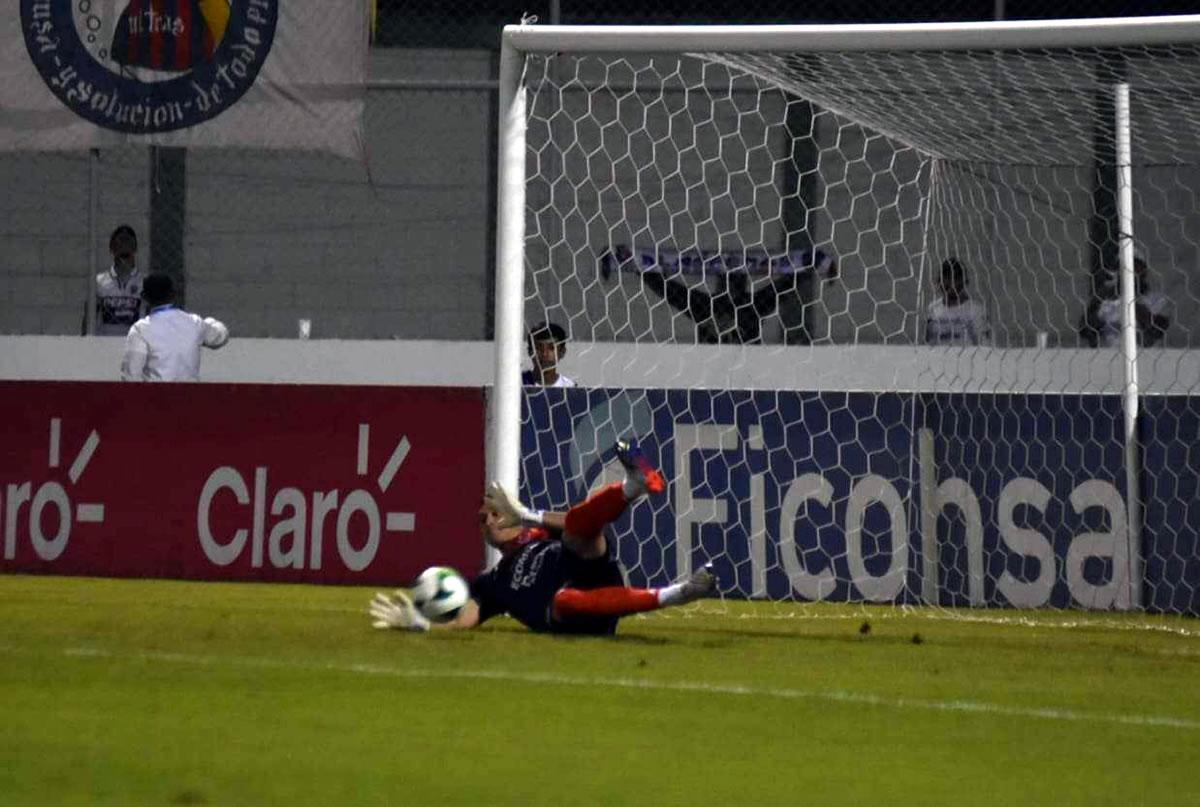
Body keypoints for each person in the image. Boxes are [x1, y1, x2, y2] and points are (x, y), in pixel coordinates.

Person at [369, 440, 717, 635]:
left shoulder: (537, 534)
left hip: (590, 569)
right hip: (573, 615)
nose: (492, 520)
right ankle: (678, 594)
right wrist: (421, 626)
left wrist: (527, 515)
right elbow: (464, 621)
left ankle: (631, 487)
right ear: (484, 535)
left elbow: (576, 522)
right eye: (484, 519)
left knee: (576, 530)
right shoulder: (492, 583)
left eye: (496, 511)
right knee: (564, 601)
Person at [120, 273, 229, 381]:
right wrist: (210, 322)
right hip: (190, 395)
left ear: (144, 297)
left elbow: (131, 375)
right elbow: (220, 338)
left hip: (156, 396)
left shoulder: (140, 329)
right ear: (173, 294)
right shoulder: (195, 323)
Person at [1078, 246, 1170, 348]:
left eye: (1134, 267)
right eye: (1123, 267)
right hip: (1108, 357)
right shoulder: (1104, 299)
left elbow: (1159, 331)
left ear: (1143, 270)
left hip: (1146, 357)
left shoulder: (1157, 299)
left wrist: (1135, 307)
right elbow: (1084, 330)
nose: (1128, 272)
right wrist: (1100, 307)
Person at [89, 224, 145, 336]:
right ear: (112, 248)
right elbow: (89, 318)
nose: (124, 247)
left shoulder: (144, 282)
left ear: (135, 248)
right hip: (105, 343)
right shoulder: (99, 281)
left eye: (128, 243)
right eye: (119, 243)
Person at [923, 258, 991, 346]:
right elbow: (927, 343)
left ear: (964, 282)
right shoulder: (933, 309)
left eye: (954, 279)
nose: (950, 284)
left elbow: (984, 346)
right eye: (946, 279)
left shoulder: (976, 310)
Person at [522, 321, 577, 387]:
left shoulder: (569, 387)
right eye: (538, 348)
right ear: (530, 351)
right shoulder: (517, 383)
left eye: (551, 348)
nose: (545, 354)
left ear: (562, 352)